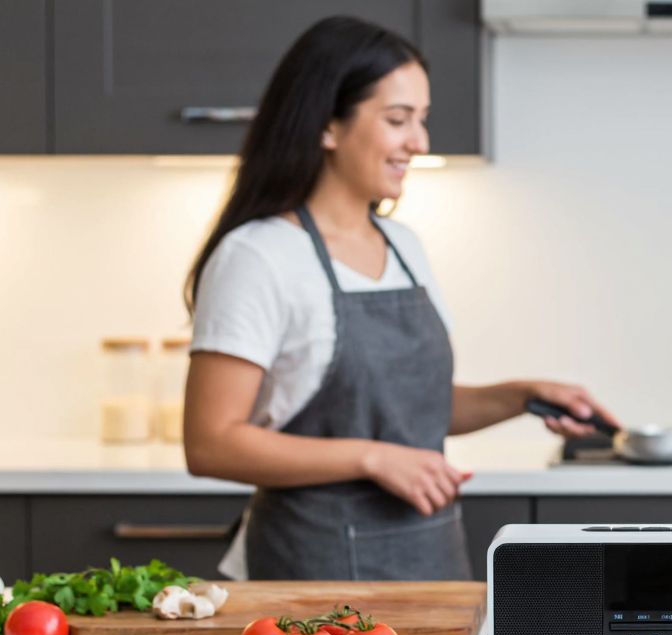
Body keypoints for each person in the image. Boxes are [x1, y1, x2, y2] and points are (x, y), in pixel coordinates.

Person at [183, 16, 615, 580]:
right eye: (397, 120)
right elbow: (210, 444)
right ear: (327, 126)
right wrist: (370, 457)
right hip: (308, 581)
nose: (420, 142)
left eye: (422, 120)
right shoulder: (259, 257)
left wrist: (522, 396)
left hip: (428, 564)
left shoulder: (403, 245)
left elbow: (412, 409)